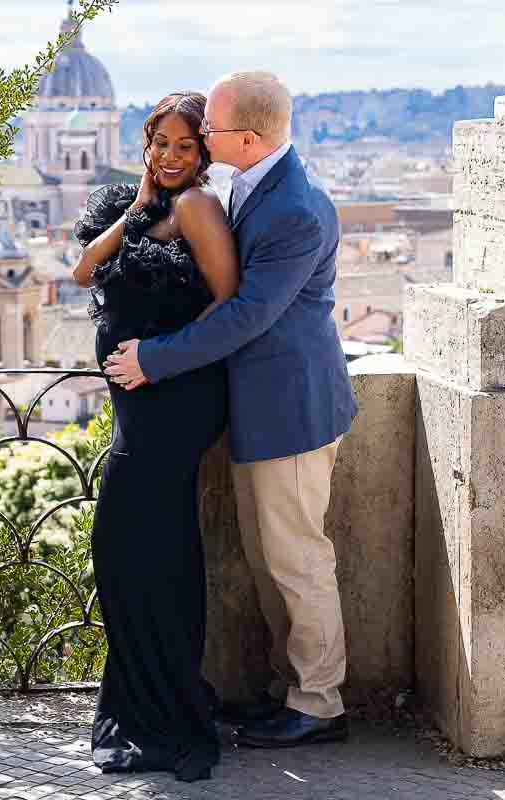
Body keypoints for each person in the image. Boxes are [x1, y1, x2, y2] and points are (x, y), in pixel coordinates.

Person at [104, 71, 358, 749]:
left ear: (247, 137)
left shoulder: (295, 210)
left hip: (291, 407)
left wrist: (153, 359)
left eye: (211, 131)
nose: (203, 143)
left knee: (297, 559)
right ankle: (290, 691)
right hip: (262, 406)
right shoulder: (252, 186)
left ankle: (319, 704)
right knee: (273, 558)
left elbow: (247, 313)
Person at [72, 91, 239, 782]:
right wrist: (138, 206)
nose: (170, 157)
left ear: (204, 153)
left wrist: (154, 360)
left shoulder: (201, 207)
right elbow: (83, 270)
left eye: (184, 146)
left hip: (175, 402)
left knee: (129, 545)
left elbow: (229, 305)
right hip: (137, 408)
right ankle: (149, 696)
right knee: (148, 549)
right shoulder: (133, 207)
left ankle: (167, 704)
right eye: (160, 144)